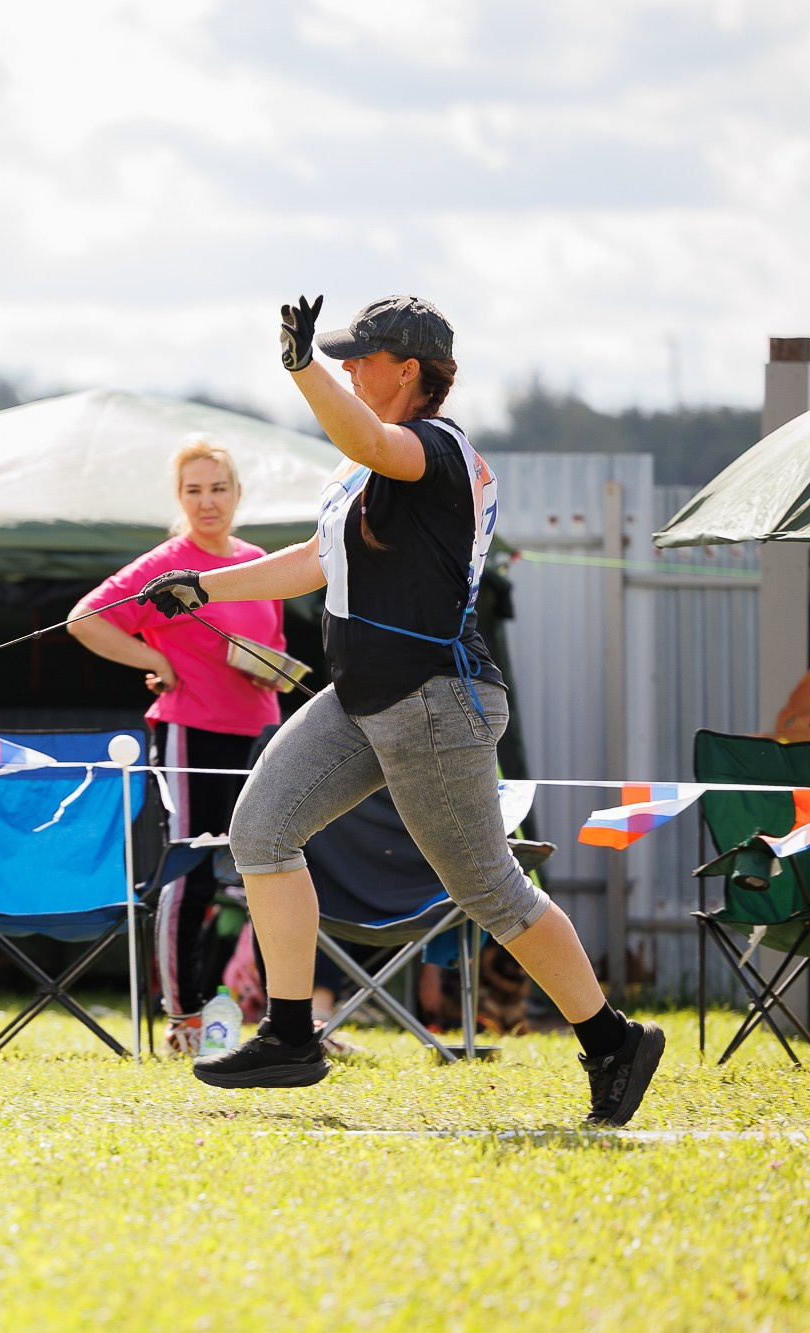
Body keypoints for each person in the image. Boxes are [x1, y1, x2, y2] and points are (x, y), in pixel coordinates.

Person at [142, 294, 663, 1126]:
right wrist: (203, 586)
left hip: (433, 701)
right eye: (336, 358)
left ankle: (612, 1040)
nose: (348, 367)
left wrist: (300, 366)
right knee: (262, 831)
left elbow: (367, 436)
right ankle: (289, 1035)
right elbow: (315, 560)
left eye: (360, 358)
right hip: (360, 697)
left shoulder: (434, 450)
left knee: (492, 891)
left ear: (409, 370)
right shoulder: (363, 469)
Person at [69, 437, 290, 1054]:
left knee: (267, 868)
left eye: (218, 487)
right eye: (193, 490)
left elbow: (265, 645)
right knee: (190, 868)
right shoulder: (167, 562)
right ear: (180, 499)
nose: (207, 501)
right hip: (190, 729)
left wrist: (271, 670)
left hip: (258, 730)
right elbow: (85, 618)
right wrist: (153, 657)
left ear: (238, 493)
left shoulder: (256, 562)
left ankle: (282, 1014)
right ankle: (184, 1019)